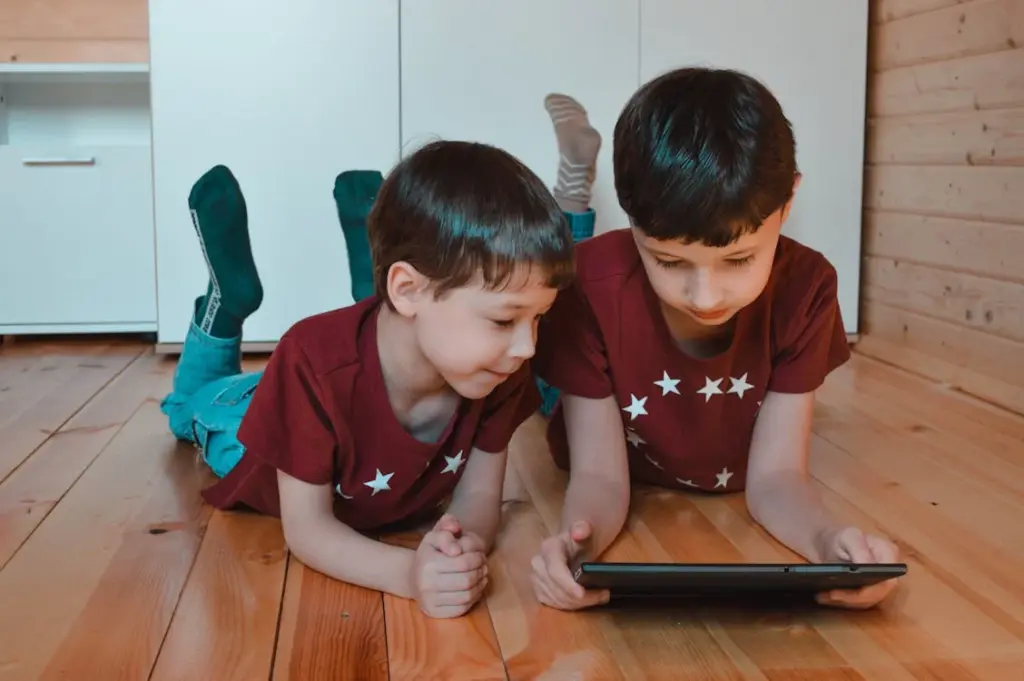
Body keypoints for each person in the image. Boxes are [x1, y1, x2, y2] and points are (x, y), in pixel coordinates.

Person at [529, 68, 901, 611]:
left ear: (788, 201)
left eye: (739, 259)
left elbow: (776, 478)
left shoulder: (807, 289)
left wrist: (827, 542)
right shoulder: (592, 287)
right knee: (539, 279)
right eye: (670, 261)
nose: (705, 296)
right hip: (576, 362)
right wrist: (576, 545)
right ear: (631, 222)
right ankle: (572, 183)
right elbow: (600, 476)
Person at [160, 140, 575, 619]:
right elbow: (307, 529)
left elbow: (480, 495)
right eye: (505, 321)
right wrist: (408, 575)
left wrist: (459, 547)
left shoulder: (498, 366)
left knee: (368, 353)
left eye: (539, 318)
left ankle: (368, 285)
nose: (528, 346)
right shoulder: (310, 360)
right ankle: (223, 308)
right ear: (409, 289)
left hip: (365, 366)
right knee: (191, 405)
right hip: (256, 435)